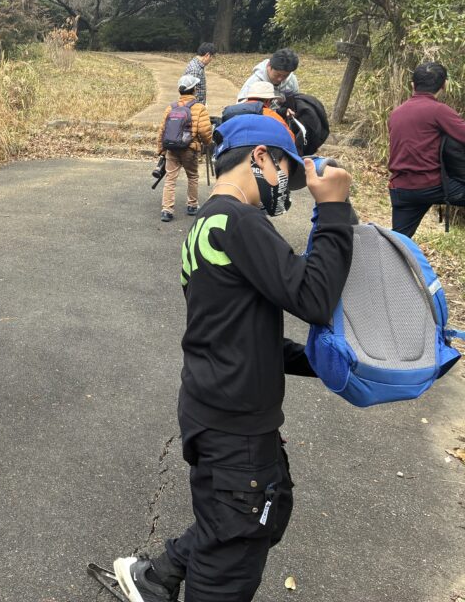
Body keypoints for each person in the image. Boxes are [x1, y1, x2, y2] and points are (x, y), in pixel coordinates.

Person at [112, 114, 354, 602]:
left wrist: (321, 362)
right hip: (234, 428)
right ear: (261, 157)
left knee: (255, 517)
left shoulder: (208, 222)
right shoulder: (241, 221)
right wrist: (334, 210)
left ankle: (156, 576)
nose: (284, 185)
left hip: (215, 408)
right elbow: (314, 298)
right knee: (234, 550)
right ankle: (164, 577)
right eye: (284, 168)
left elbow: (237, 332)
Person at [388, 61, 465, 237]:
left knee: (398, 240)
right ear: (444, 85)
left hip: (401, 189)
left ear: (412, 85)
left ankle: (387, 254)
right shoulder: (439, 110)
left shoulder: (396, 113)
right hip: (432, 186)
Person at [157, 75, 212, 222]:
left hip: (171, 148)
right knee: (192, 176)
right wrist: (207, 143)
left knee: (170, 179)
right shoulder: (199, 108)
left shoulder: (171, 107)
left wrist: (161, 150)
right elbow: (204, 131)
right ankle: (192, 206)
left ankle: (167, 210)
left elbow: (162, 130)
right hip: (189, 149)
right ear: (194, 90)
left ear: (179, 90)